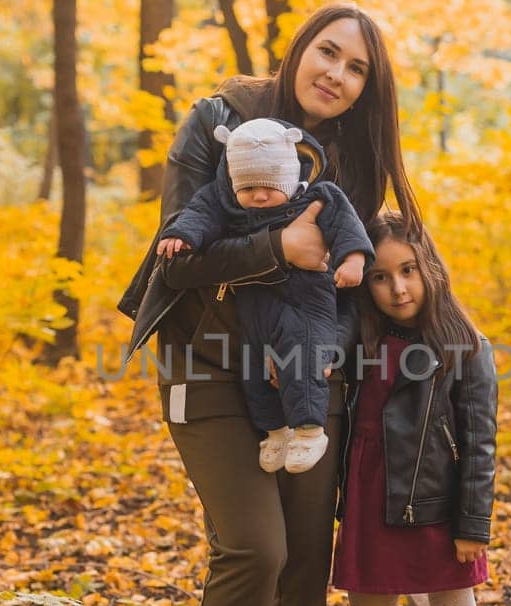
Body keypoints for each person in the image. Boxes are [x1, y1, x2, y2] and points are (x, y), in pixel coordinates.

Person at [117, 1, 422, 606]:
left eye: (357, 67)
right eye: (328, 52)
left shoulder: (351, 156)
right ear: (298, 50)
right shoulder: (219, 122)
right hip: (208, 369)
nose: (338, 73)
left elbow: (366, 267)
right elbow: (173, 260)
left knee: (303, 559)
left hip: (306, 378)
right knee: (254, 547)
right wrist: (276, 249)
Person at [333, 211, 498, 606]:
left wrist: (472, 524)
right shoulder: (357, 338)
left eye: (408, 271)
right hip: (370, 499)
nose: (398, 288)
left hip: (435, 502)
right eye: (380, 277)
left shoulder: (464, 346)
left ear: (431, 268)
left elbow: (479, 444)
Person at [155, 118, 375, 474]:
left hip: (306, 300)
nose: (259, 195)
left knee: (302, 358)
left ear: (288, 176)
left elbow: (347, 226)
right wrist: (183, 234)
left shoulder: (319, 197)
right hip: (254, 304)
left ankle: (309, 430)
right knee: (253, 369)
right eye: (249, 187)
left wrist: (354, 259)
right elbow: (200, 213)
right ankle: (275, 432)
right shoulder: (226, 199)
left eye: (270, 186)